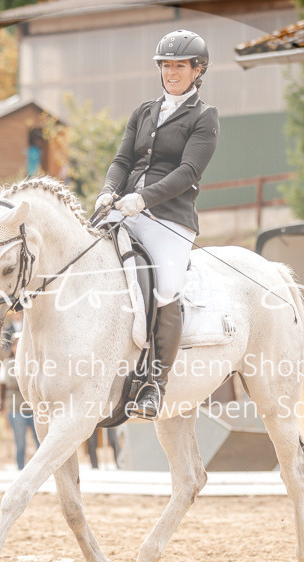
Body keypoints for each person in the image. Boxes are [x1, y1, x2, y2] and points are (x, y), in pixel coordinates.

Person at [95, 29, 219, 420]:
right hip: (123, 209)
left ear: (198, 70)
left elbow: (189, 171)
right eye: (165, 65)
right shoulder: (143, 111)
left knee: (165, 288)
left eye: (179, 66)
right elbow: (122, 161)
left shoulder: (204, 117)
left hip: (170, 219)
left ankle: (154, 384)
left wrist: (144, 199)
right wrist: (108, 191)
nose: (171, 72)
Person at [0, 320, 39, 470]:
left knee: (39, 443)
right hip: (15, 408)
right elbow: (8, 383)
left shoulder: (36, 363)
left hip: (33, 409)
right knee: (20, 443)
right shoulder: (7, 364)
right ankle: (20, 469)